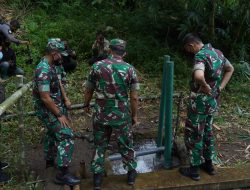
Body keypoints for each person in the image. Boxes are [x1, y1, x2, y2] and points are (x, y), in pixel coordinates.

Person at [84, 39, 139, 189]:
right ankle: (131, 175)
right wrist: (134, 115)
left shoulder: (97, 66)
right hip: (121, 115)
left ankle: (97, 179)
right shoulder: (130, 69)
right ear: (124, 53)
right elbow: (134, 97)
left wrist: (86, 104)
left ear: (109, 50)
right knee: (126, 144)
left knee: (100, 145)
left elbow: (88, 89)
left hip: (101, 114)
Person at [179, 33, 234, 181]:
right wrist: (220, 87)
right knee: (208, 132)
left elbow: (198, 75)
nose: (189, 52)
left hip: (200, 103)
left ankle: (194, 170)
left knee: (195, 133)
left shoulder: (201, 56)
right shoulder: (218, 53)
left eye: (188, 49)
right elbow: (230, 69)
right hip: (212, 101)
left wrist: (203, 85)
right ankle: (209, 165)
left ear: (191, 45)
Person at [32, 38, 80, 186]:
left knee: (52, 134)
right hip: (47, 110)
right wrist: (59, 114)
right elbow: (45, 98)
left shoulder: (51, 65)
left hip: (54, 106)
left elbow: (58, 84)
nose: (63, 57)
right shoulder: (43, 69)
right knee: (66, 135)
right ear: (54, 53)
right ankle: (62, 174)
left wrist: (64, 100)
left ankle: (49, 162)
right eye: (61, 54)